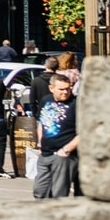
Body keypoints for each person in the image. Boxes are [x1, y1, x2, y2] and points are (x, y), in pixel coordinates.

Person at [33, 68, 80, 199]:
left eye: (68, 88)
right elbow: (41, 123)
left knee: (58, 193)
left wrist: (66, 150)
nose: (65, 92)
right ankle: (42, 216)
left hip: (64, 155)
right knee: (39, 190)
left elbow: (85, 132)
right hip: (45, 153)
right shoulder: (46, 100)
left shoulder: (76, 103)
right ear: (51, 88)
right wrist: (40, 143)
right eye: (61, 89)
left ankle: (57, 217)